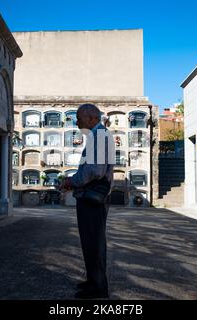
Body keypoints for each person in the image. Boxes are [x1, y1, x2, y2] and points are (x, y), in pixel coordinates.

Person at [61, 104, 115, 300]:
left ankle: (98, 287)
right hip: (90, 196)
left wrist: (71, 181)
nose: (77, 122)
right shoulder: (97, 136)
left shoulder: (100, 136)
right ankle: (93, 281)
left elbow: (95, 171)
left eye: (79, 117)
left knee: (94, 242)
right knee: (90, 242)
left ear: (92, 117)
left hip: (92, 198)